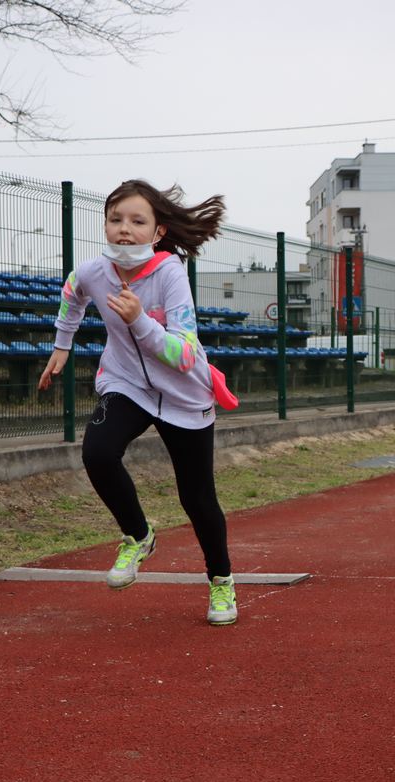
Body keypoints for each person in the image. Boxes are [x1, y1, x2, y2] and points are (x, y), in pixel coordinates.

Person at [37, 179, 239, 625]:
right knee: (98, 452)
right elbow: (73, 292)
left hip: (184, 394)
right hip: (127, 382)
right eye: (115, 220)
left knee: (197, 497)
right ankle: (138, 535)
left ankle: (221, 583)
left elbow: (185, 355)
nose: (124, 229)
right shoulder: (93, 271)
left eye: (136, 221)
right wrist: (62, 346)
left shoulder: (170, 274)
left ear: (158, 231)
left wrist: (140, 320)